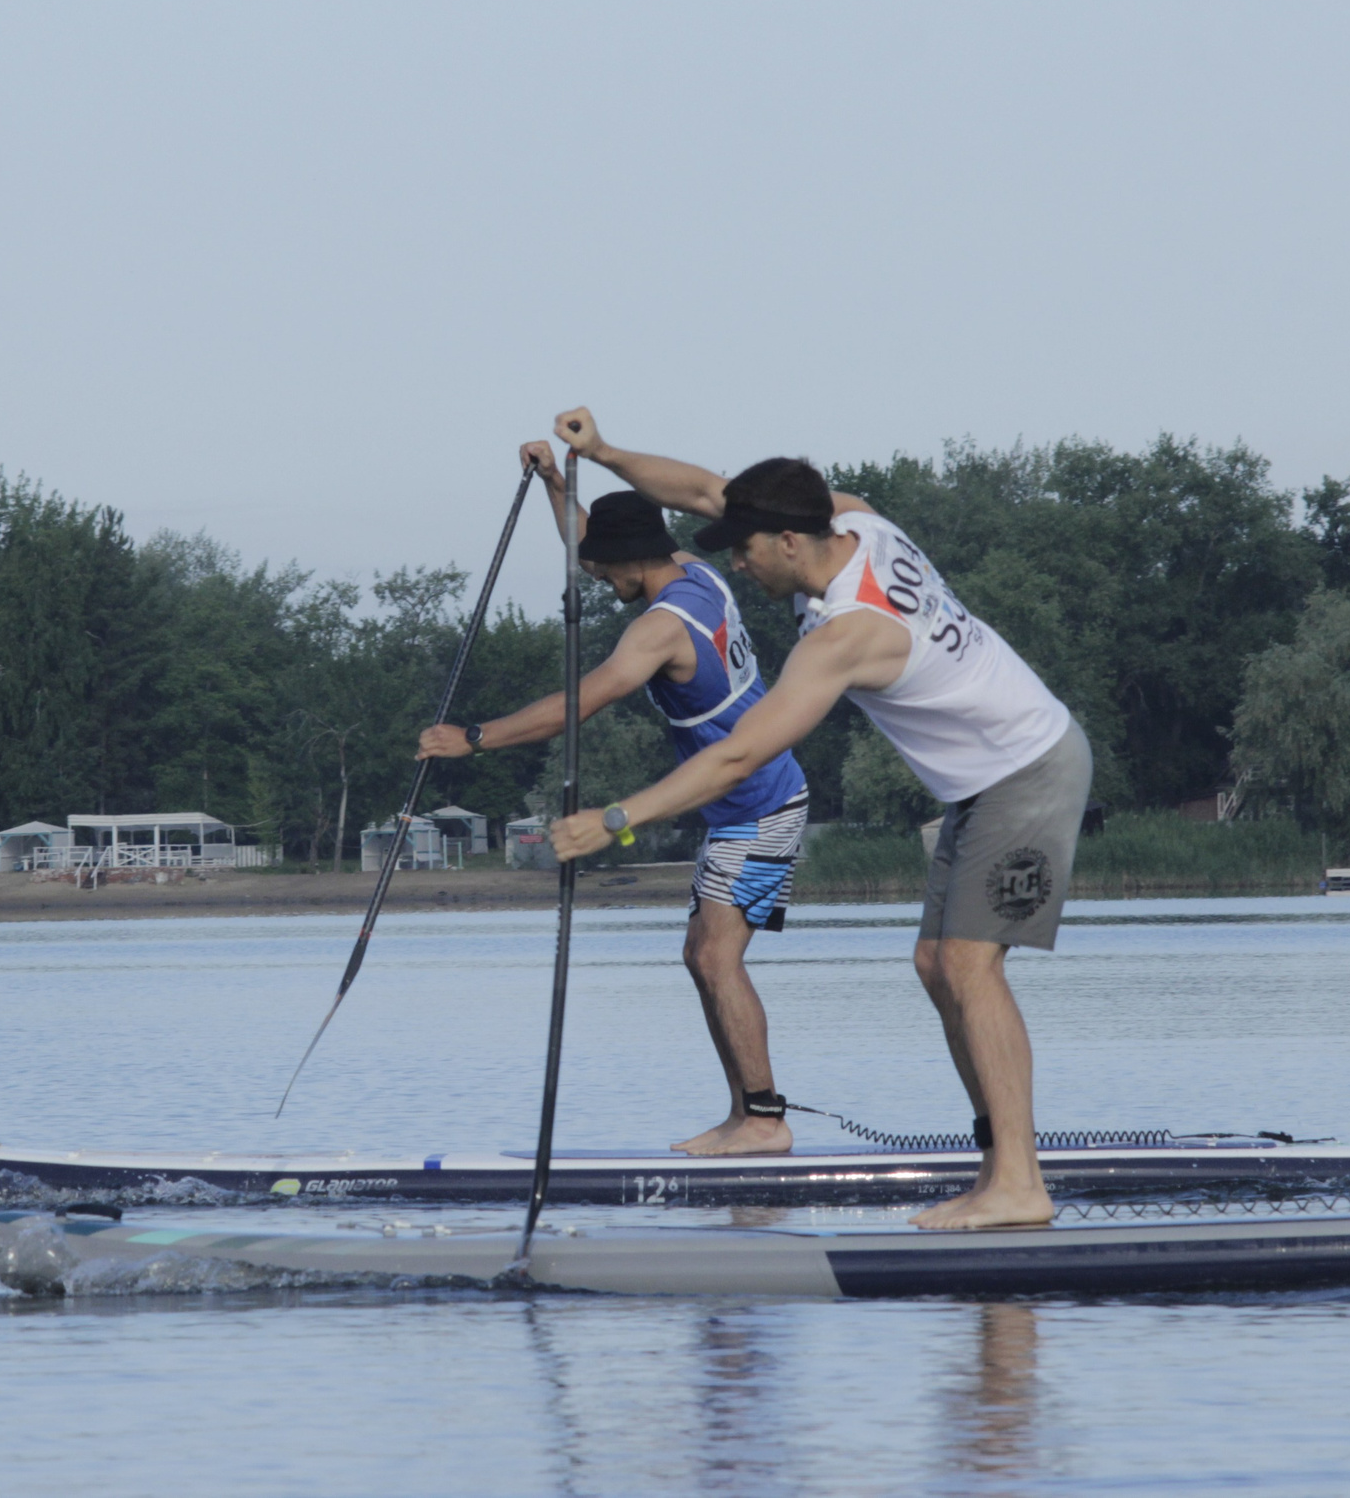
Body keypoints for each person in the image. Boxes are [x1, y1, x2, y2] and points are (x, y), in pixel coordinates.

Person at [543, 409, 1092, 1230]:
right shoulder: (858, 521)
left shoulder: (846, 634)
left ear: (790, 542)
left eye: (745, 550)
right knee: (937, 965)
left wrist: (617, 818)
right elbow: (704, 490)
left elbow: (738, 756)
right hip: (981, 786)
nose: (735, 564)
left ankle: (1019, 1181)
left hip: (1028, 768)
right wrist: (605, 452)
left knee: (969, 966)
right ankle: (999, 1166)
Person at [417, 441, 811, 1156]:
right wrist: (554, 483)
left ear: (631, 562)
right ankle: (745, 1115)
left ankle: (764, 1119)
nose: (596, 576)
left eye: (604, 569)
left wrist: (473, 737)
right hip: (735, 805)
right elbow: (595, 540)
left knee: (716, 959)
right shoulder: (693, 571)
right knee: (701, 955)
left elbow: (577, 705)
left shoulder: (658, 630)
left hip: (760, 803)